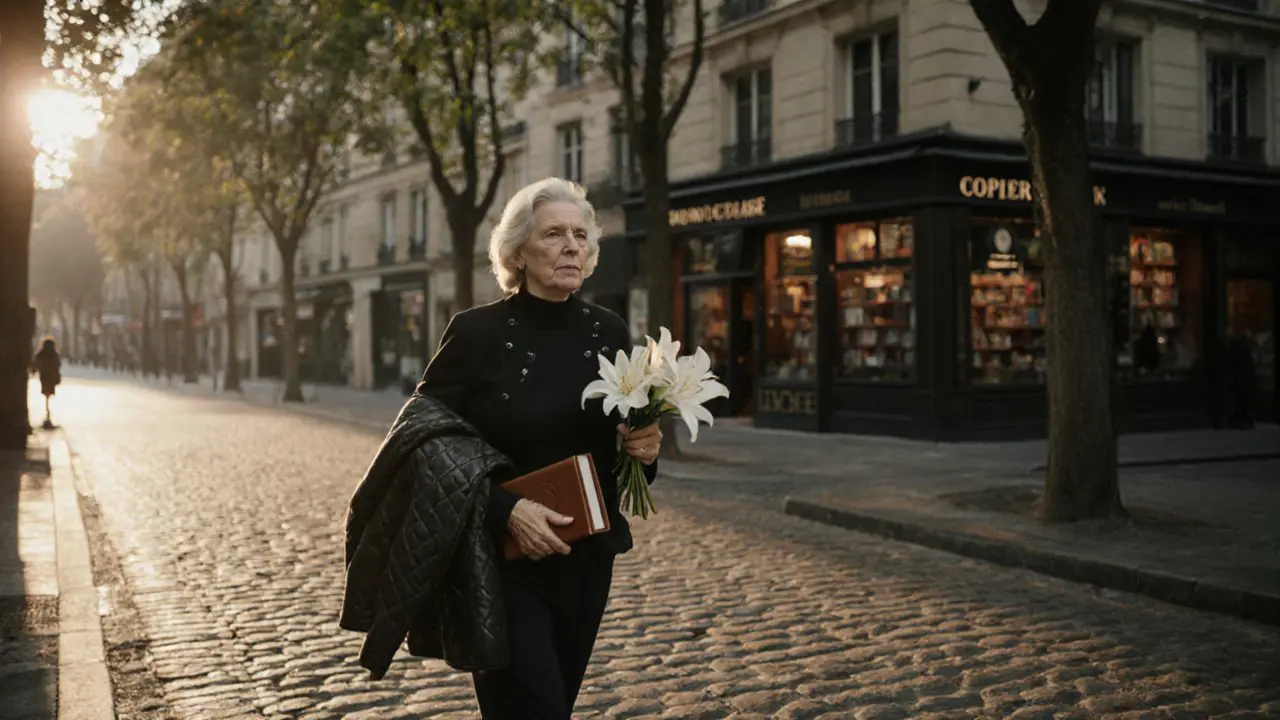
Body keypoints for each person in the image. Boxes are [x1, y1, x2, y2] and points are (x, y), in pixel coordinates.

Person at [425, 177, 662, 718]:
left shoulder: (608, 331)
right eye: (554, 234)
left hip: (586, 561)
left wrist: (645, 450)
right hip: (500, 562)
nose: (571, 246)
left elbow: (622, 451)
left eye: (580, 235)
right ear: (518, 252)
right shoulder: (475, 333)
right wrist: (507, 510)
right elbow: (428, 445)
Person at [30, 337, 62, 429]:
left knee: (46, 393)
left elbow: (36, 363)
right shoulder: (54, 354)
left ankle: (47, 410)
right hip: (51, 378)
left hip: (44, 377)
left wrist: (34, 370)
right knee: (49, 393)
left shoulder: (41, 354)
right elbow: (57, 365)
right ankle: (48, 411)